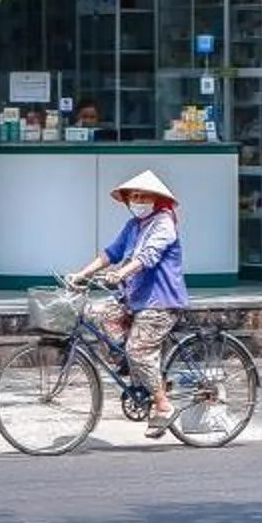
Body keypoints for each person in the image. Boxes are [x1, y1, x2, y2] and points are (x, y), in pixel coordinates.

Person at [68, 168, 188, 436]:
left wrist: (121, 273)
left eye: (143, 196)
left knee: (138, 351)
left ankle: (162, 405)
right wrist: (82, 273)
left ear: (155, 199)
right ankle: (136, 371)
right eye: (133, 196)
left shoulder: (164, 223)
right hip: (133, 297)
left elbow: (147, 257)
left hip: (160, 301)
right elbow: (111, 253)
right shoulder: (133, 226)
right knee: (95, 313)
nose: (137, 200)